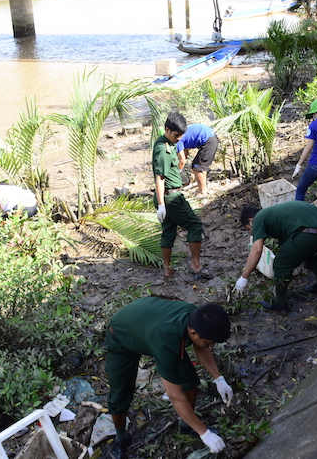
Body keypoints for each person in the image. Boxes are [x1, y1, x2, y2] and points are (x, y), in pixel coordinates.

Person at [105, 297, 233, 458]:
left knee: (189, 378)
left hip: (148, 325)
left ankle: (187, 425)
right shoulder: (166, 341)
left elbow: (202, 346)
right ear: (193, 333)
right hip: (122, 337)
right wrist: (205, 433)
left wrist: (218, 379)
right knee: (120, 392)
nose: (211, 347)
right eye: (209, 343)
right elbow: (174, 395)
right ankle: (121, 437)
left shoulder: (195, 317)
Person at [234, 200, 317, 311]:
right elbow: (286, 240)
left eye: (250, 229)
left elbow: (257, 250)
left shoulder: (258, 219)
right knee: (308, 253)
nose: (253, 232)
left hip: (312, 232)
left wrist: (244, 277)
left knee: (281, 264)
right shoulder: (274, 215)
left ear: (250, 221)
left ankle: (280, 303)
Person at [153, 112, 213, 279]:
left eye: (181, 135)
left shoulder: (168, 142)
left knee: (168, 231)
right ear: (167, 129)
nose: (179, 138)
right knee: (194, 226)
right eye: (176, 135)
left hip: (167, 196)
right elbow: (160, 178)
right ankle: (196, 265)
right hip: (171, 198)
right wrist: (161, 204)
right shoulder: (163, 149)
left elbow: (180, 159)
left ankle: (167, 269)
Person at [176, 124, 220, 197]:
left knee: (197, 167)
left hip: (208, 140)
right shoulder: (179, 134)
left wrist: (177, 172)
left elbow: (182, 160)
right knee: (201, 166)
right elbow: (185, 153)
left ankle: (202, 192)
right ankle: (203, 188)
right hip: (209, 137)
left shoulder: (177, 140)